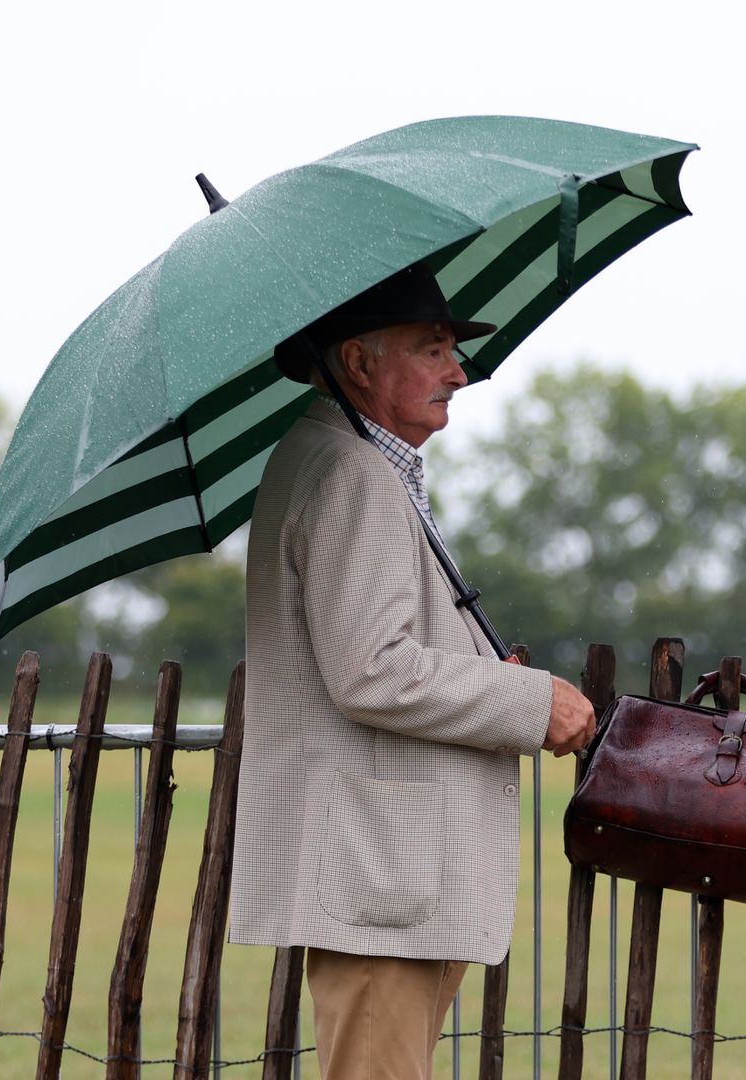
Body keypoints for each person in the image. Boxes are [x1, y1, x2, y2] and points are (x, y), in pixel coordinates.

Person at [229, 263, 597, 1080]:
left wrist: (478, 670)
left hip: (391, 878)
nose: (458, 373)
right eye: (433, 350)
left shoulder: (358, 463)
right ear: (358, 363)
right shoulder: (351, 473)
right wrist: (528, 701)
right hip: (382, 874)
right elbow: (371, 671)